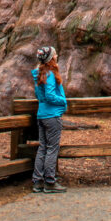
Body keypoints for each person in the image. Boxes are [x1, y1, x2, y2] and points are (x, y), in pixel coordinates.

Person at [31, 45, 68, 193]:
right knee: (52, 149)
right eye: (55, 54)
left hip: (42, 115)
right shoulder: (50, 74)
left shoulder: (39, 74)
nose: (57, 55)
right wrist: (63, 101)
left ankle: (38, 181)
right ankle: (50, 182)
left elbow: (40, 96)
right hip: (52, 116)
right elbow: (50, 95)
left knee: (43, 148)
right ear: (51, 58)